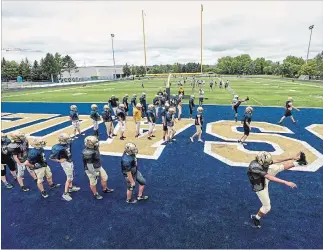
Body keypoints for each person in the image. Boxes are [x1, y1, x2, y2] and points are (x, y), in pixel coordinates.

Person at [247, 151, 307, 228]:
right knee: (267, 207)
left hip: (264, 175)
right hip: (260, 185)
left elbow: (275, 161)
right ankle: (256, 218)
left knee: (279, 167)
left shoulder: (261, 161)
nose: (268, 163)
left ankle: (300, 162)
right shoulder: (254, 167)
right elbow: (269, 177)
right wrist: (285, 182)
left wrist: (291, 157)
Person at [50, 133, 81, 201]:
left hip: (69, 160)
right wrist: (59, 161)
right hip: (65, 163)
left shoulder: (67, 143)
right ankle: (65, 193)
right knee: (69, 178)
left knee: (71, 175)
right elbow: (51, 157)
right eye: (67, 139)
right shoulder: (57, 148)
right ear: (64, 140)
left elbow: (70, 141)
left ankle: (70, 187)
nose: (69, 140)